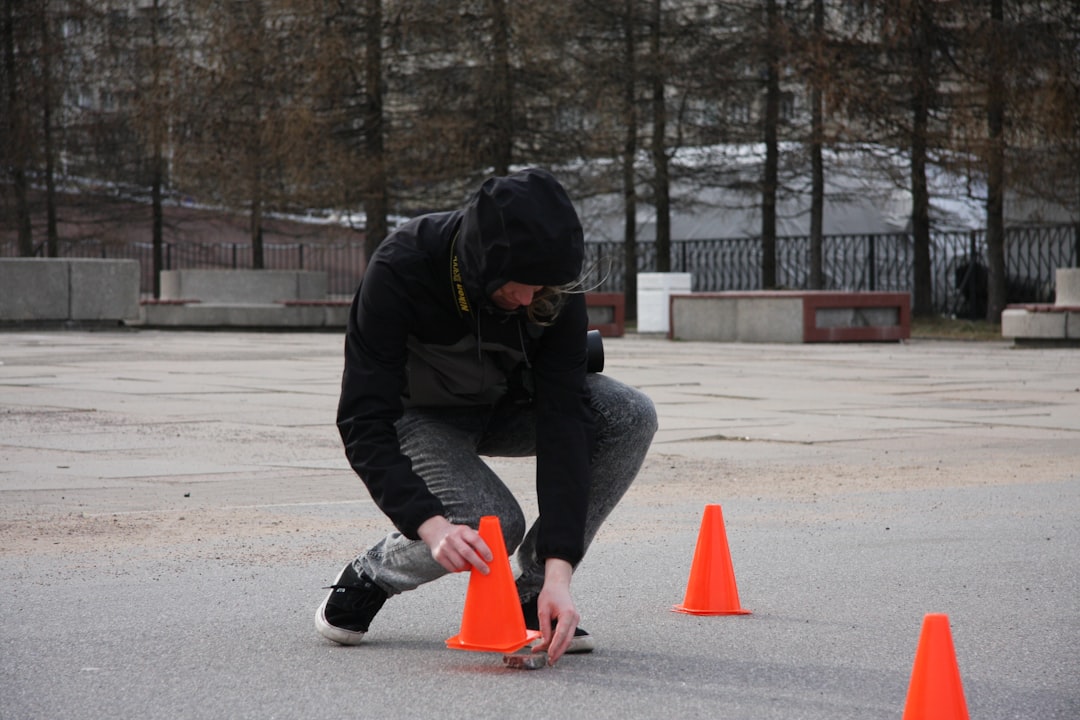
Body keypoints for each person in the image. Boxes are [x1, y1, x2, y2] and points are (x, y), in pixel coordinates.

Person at [315, 167, 657, 665]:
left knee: (629, 414)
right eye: (517, 287)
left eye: (541, 289)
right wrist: (431, 526)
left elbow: (566, 418)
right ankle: (372, 573)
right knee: (491, 524)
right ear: (482, 263)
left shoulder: (551, 289)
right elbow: (363, 420)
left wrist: (558, 573)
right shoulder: (402, 267)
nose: (528, 300)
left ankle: (532, 599)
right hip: (422, 416)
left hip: (507, 407)